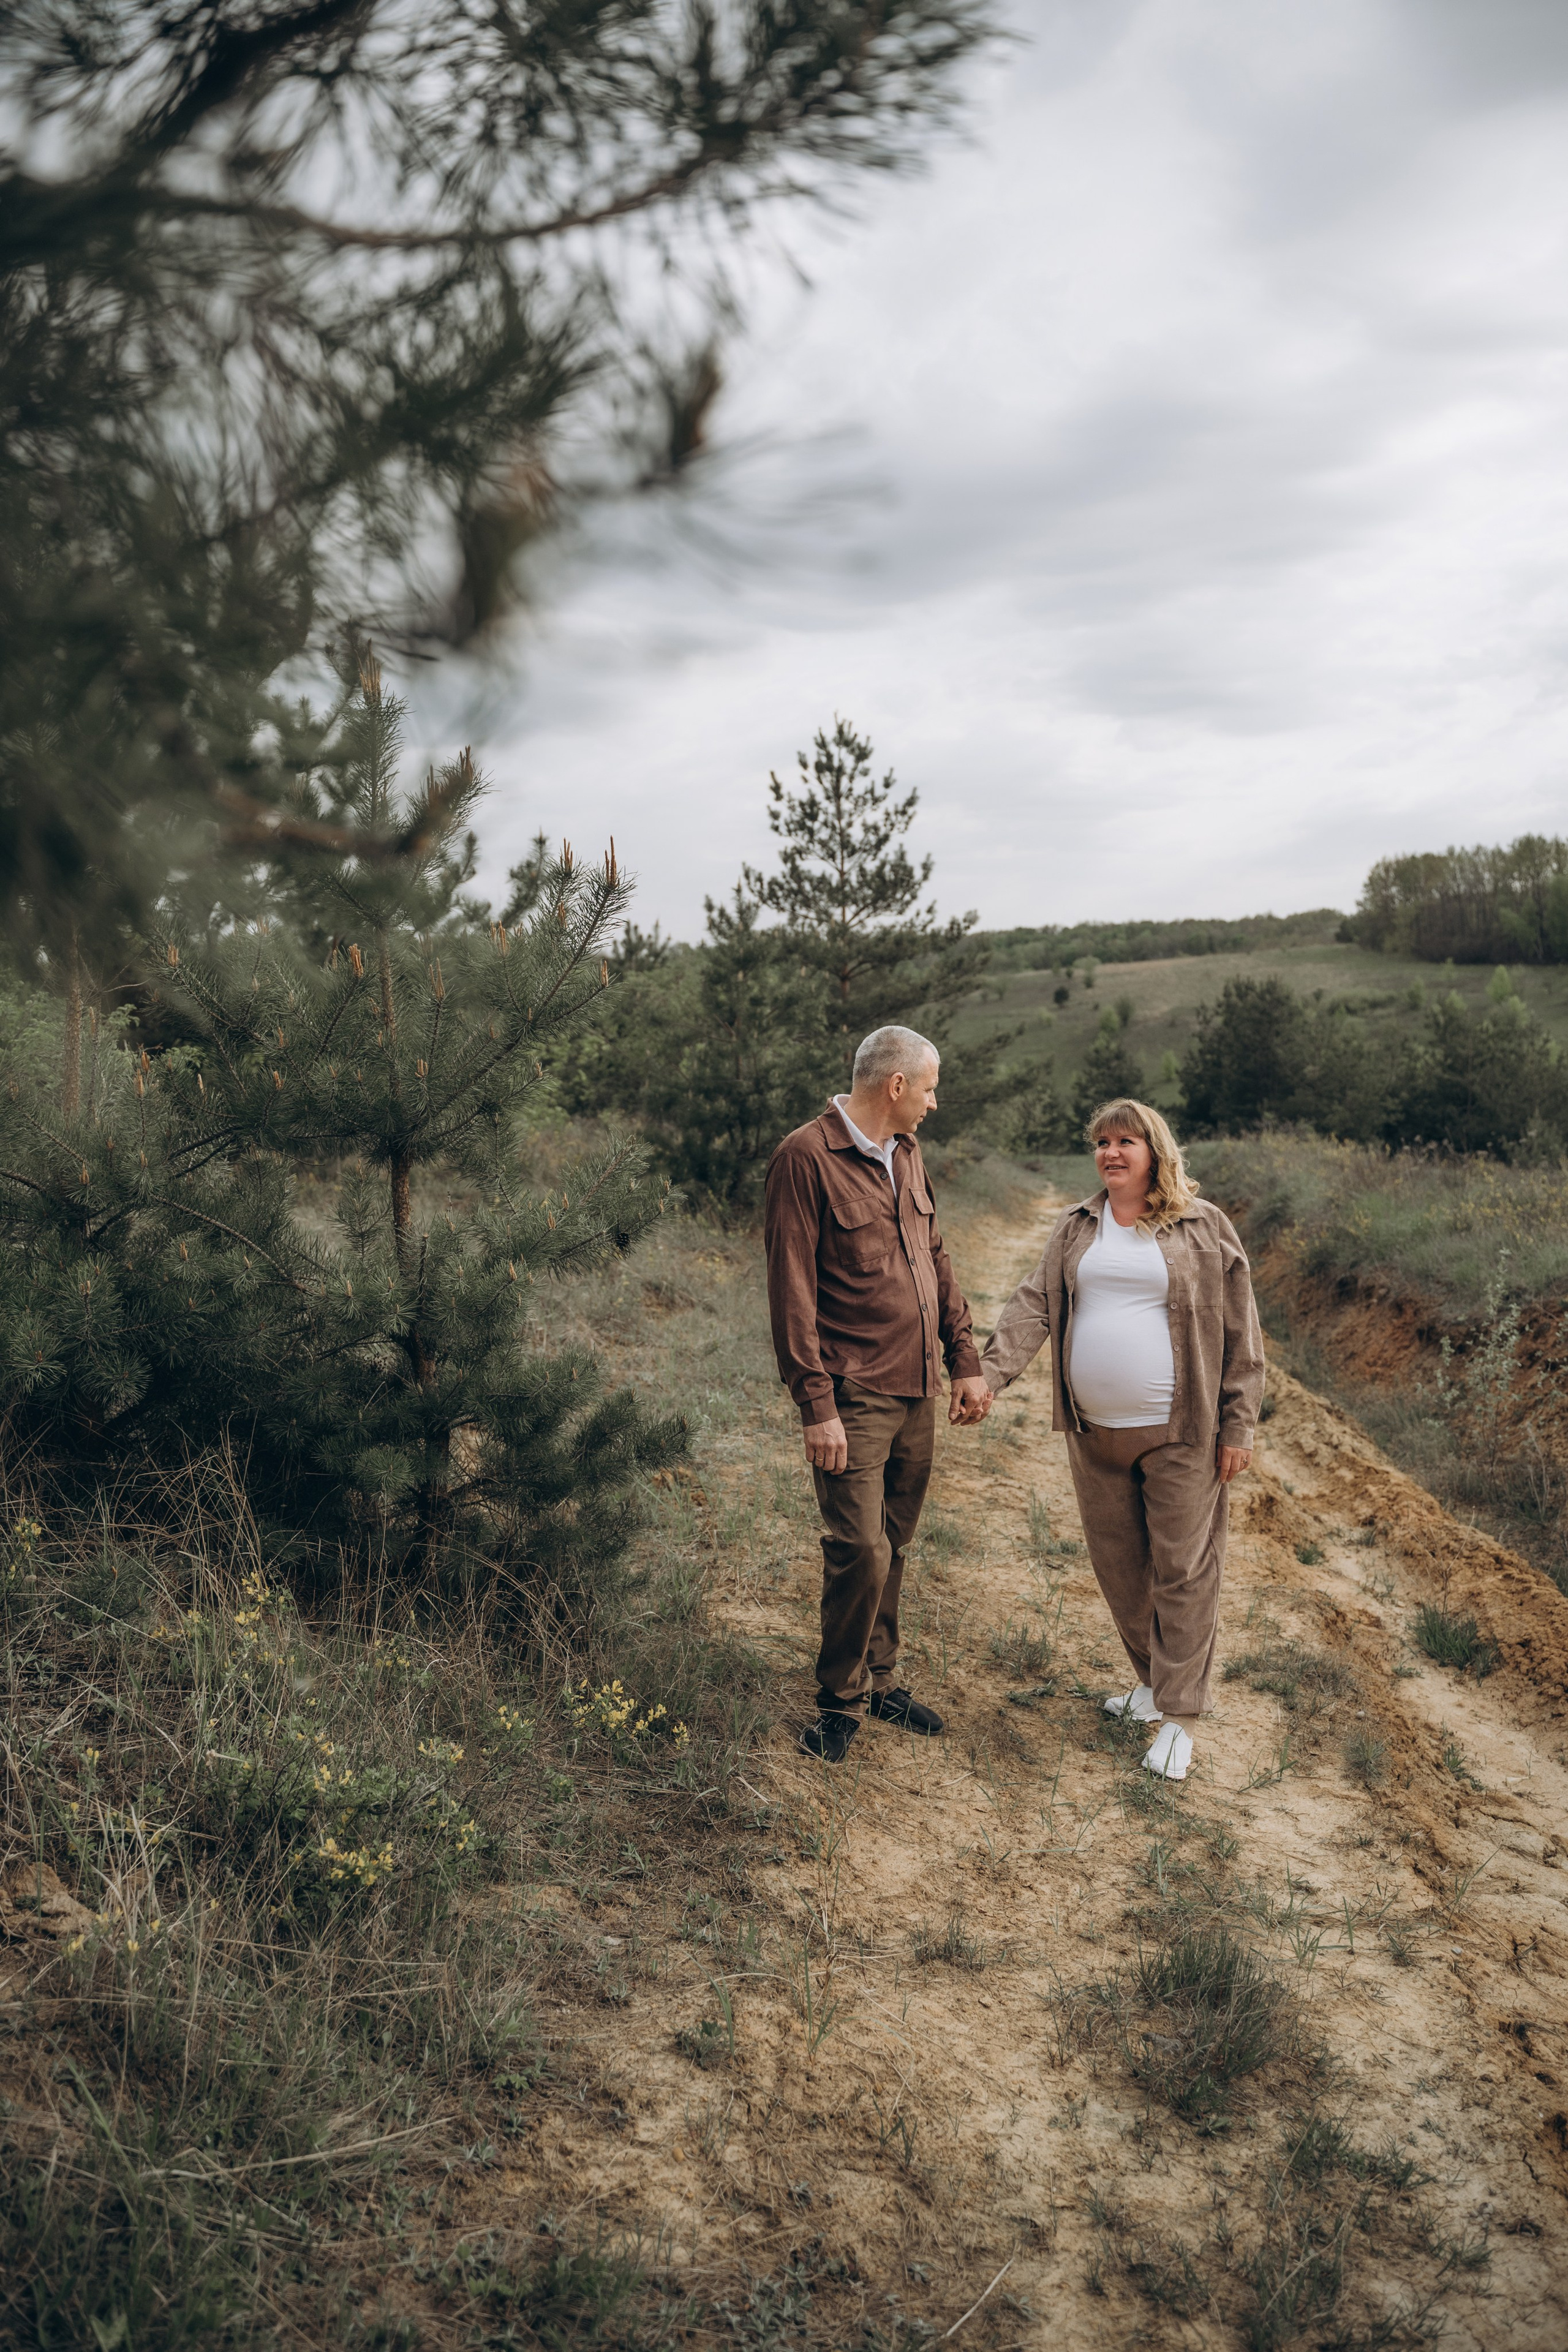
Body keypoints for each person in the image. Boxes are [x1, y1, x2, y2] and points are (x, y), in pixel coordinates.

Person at [981, 1098, 1264, 1781]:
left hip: (1183, 1433)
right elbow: (1034, 1303)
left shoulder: (1203, 1225)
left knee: (1183, 1571)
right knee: (1121, 1571)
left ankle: (1179, 1719)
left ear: (1153, 1150)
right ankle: (1149, 1684)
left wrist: (1238, 1424)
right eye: (1101, 1142)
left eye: (1125, 1141)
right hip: (1094, 1434)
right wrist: (988, 1375)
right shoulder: (1078, 1226)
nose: (1110, 1153)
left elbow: (1240, 1331)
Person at [764, 1026, 993, 1762]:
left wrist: (964, 1359)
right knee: (858, 1547)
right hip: (852, 1391)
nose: (934, 1101)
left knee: (894, 1542)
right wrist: (816, 1406)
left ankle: (880, 1678)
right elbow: (791, 1289)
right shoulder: (805, 1157)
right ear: (895, 1086)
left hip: (917, 1386)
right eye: (929, 1087)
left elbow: (935, 1258)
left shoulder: (908, 1153)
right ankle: (839, 1701)